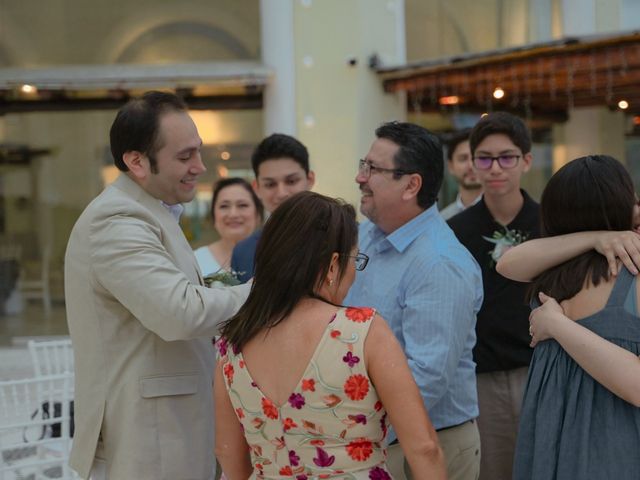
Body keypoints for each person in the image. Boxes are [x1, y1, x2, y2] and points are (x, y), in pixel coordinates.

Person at [64, 91, 251, 480]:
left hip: (167, 428)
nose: (200, 166)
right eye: (184, 157)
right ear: (136, 161)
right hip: (147, 436)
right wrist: (270, 290)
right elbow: (180, 313)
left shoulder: (151, 210)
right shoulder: (116, 220)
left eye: (198, 152)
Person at [214, 191, 447, 479]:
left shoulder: (232, 342)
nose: (354, 272)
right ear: (333, 264)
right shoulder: (362, 330)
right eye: (354, 259)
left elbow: (228, 451)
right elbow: (423, 447)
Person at [345, 121, 483, 480]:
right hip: (373, 436)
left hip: (425, 444)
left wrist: (350, 428)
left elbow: (425, 378)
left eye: (373, 169)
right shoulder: (365, 236)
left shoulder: (439, 263)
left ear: (411, 185)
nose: (360, 177)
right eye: (364, 164)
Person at [493, 155, 640, 479]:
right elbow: (506, 263)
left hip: (554, 447)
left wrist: (557, 325)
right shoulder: (629, 275)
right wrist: (596, 236)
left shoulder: (552, 276)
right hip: (616, 451)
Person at [447, 111, 539, 480]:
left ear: (526, 161)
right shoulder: (454, 230)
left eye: (507, 157)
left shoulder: (550, 222)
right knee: (493, 469)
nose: (495, 168)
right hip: (480, 376)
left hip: (541, 368)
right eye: (484, 158)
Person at [231, 133, 315, 282]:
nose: (282, 193)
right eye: (270, 184)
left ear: (310, 180)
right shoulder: (244, 251)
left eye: (291, 181)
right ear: (256, 188)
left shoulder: (345, 235)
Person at [194, 177, 263, 277]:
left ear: (258, 214)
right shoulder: (196, 260)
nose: (233, 214)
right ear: (213, 214)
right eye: (224, 206)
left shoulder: (273, 256)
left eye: (242, 205)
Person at [440, 128, 482, 220]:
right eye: (463, 158)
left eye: (478, 158)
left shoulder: (504, 213)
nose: (471, 165)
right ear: (450, 166)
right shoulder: (444, 219)